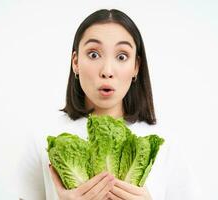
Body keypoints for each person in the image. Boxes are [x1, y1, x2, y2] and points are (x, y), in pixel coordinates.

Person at [17, 9, 201, 200]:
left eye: (121, 56)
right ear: (75, 62)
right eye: (94, 54)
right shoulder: (42, 138)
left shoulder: (166, 143)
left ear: (136, 66)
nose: (107, 71)